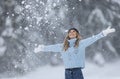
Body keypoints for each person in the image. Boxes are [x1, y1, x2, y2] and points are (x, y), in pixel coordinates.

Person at [34, 26, 115, 79]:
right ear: (68, 35)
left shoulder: (81, 44)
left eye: (74, 32)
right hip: (67, 72)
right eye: (70, 32)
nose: (72, 33)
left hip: (77, 72)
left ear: (77, 34)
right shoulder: (63, 46)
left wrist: (102, 34)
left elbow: (92, 39)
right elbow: (52, 47)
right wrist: (42, 48)